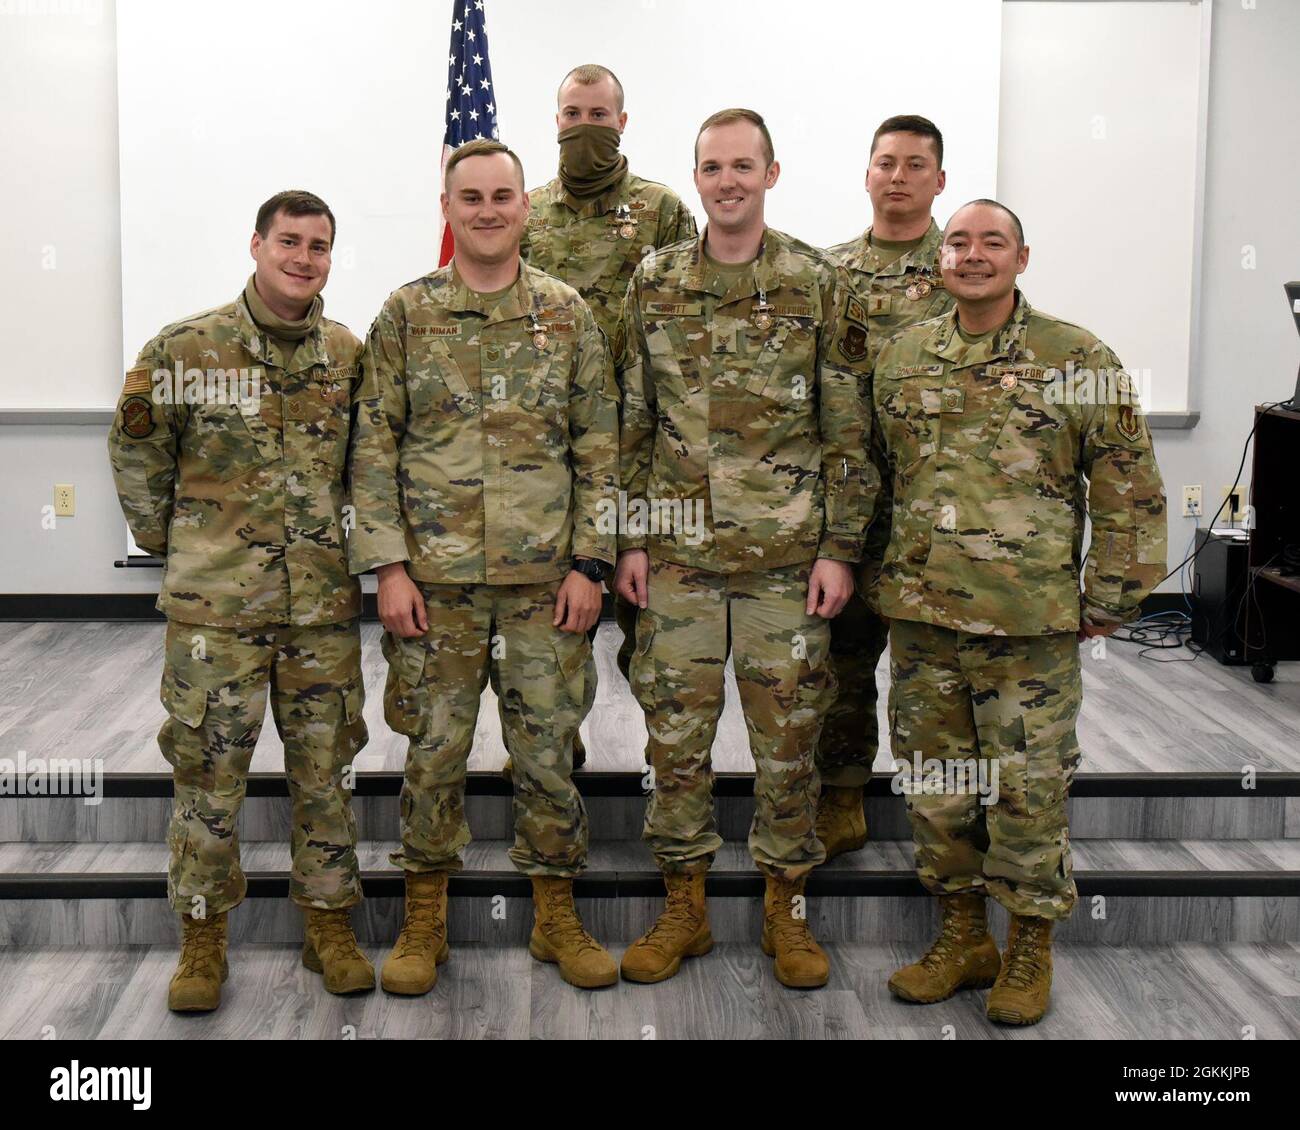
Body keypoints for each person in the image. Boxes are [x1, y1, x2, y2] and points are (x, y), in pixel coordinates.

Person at [874, 199, 1167, 1024]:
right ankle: (964, 938)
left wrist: (1112, 595)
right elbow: (877, 479)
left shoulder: (1074, 355)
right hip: (925, 620)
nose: (972, 255)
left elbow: (1127, 484)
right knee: (936, 788)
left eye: (990, 243)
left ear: (1021, 258)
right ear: (942, 256)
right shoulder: (901, 358)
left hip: (1027, 628)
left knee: (1027, 790)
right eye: (959, 242)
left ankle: (1029, 945)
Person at [348, 139, 621, 993]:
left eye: (503, 194)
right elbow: (373, 447)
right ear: (448, 206)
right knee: (432, 755)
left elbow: (600, 445)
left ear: (525, 206)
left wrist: (591, 563)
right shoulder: (406, 313)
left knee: (546, 755)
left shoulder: (568, 313)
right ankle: (424, 917)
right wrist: (388, 568)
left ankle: (555, 914)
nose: (490, 209)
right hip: (435, 588)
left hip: (546, 586)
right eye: (472, 197)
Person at [614, 109, 876, 990]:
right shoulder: (651, 280)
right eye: (712, 167)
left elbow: (847, 426)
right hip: (679, 561)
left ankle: (785, 914)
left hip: (785, 563)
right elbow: (630, 421)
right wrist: (631, 542)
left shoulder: (815, 279)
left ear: (772, 173)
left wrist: (840, 547)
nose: (726, 181)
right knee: (676, 741)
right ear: (695, 178)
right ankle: (683, 908)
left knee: (789, 742)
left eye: (742, 166)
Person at [108, 190, 373, 1012]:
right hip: (213, 617)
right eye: (289, 242)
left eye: (319, 246)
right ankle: (201, 941)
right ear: (256, 245)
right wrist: (182, 547)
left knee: (326, 775)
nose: (303, 258)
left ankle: (328, 925)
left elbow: (368, 466)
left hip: (319, 614)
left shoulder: (348, 353)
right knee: (206, 781)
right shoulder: (185, 348)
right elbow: (137, 452)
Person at [514, 63, 698, 772]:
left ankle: (671, 764)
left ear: (623, 122)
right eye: (571, 114)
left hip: (646, 450)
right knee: (552, 615)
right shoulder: (527, 210)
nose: (584, 127)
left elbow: (686, 329)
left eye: (598, 115)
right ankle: (551, 750)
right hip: (555, 454)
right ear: (554, 120)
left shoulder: (661, 211)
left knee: (650, 615)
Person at [818, 115, 956, 859]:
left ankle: (945, 821)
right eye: (885, 163)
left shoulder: (962, 268)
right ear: (866, 174)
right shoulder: (826, 273)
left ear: (940, 179)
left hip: (933, 516)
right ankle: (842, 794)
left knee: (930, 677)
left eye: (914, 165)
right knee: (839, 662)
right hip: (845, 513)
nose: (897, 177)